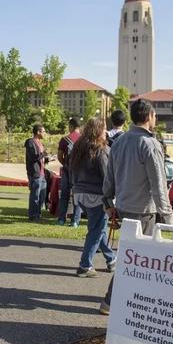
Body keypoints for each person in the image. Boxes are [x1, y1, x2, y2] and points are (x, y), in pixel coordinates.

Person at [101, 100, 173, 314]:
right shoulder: (150, 144)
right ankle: (116, 301)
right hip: (144, 212)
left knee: (132, 257)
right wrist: (169, 217)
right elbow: (159, 185)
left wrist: (108, 203)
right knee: (138, 259)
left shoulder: (120, 142)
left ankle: (120, 300)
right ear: (150, 116)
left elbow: (110, 177)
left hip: (124, 207)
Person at [70, 118, 116, 277]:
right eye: (104, 130)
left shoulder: (78, 147)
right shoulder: (101, 150)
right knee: (96, 231)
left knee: (99, 229)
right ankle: (85, 265)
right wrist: (111, 200)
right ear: (98, 132)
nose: (106, 133)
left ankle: (111, 259)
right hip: (97, 195)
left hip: (80, 194)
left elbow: (72, 171)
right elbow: (107, 177)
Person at [56, 118, 82, 227]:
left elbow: (59, 156)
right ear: (79, 127)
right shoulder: (83, 139)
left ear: (70, 126)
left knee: (65, 196)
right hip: (80, 172)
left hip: (67, 171)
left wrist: (65, 164)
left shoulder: (64, 140)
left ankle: (61, 219)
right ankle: (75, 221)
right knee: (77, 196)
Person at [25, 124, 51, 221]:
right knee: (35, 195)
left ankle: (38, 214)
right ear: (38, 132)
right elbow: (33, 157)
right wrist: (43, 154)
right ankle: (33, 215)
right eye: (43, 132)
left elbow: (41, 158)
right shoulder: (30, 142)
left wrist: (48, 158)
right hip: (35, 173)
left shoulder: (40, 143)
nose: (45, 133)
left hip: (42, 173)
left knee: (42, 195)